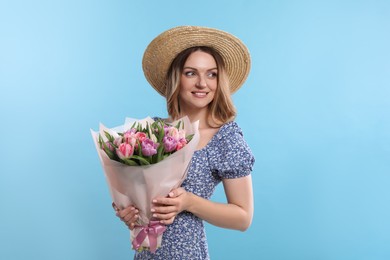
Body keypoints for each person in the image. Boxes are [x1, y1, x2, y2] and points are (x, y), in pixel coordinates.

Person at [115, 26, 255, 259]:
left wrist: (189, 202)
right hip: (147, 252)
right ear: (176, 78)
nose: (202, 83)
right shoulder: (151, 133)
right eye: (191, 73)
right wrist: (129, 213)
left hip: (188, 253)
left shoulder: (226, 139)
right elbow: (139, 200)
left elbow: (243, 217)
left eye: (212, 74)